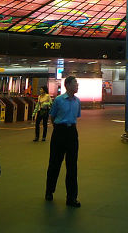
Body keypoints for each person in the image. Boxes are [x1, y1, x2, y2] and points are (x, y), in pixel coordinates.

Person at [45, 76, 81, 208]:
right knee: (54, 163)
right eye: (75, 83)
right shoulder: (59, 100)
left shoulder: (77, 101)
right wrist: (59, 128)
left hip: (72, 133)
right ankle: (49, 191)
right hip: (59, 132)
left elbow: (76, 116)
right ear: (68, 85)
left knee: (72, 166)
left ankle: (71, 197)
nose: (77, 85)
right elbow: (53, 117)